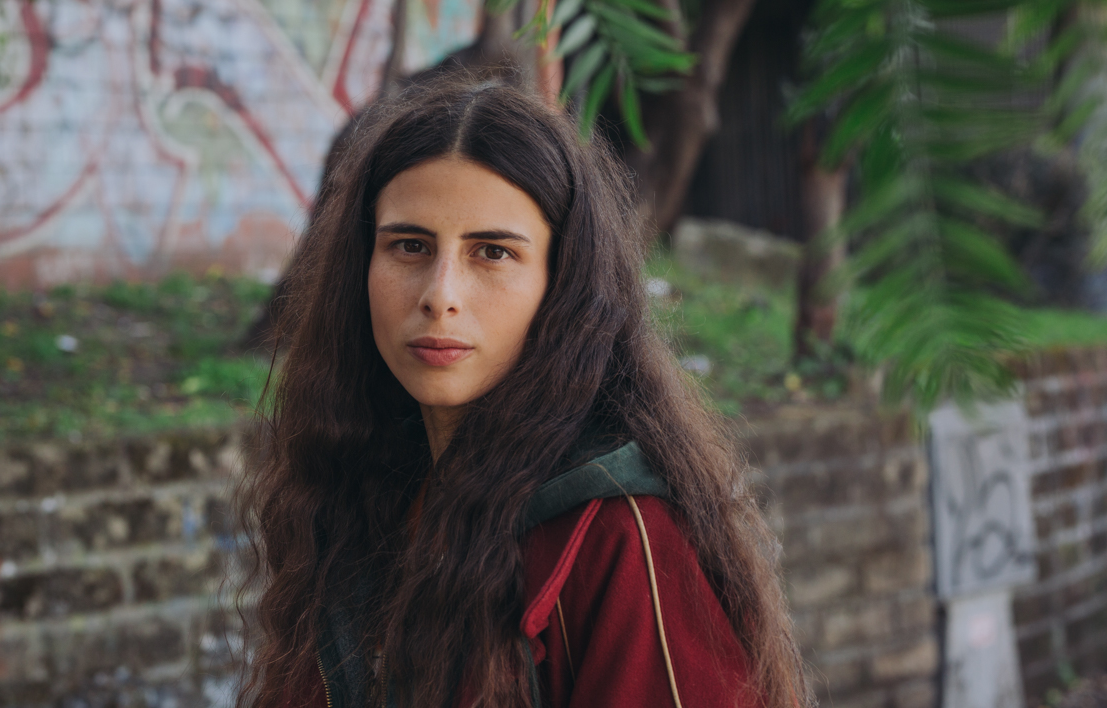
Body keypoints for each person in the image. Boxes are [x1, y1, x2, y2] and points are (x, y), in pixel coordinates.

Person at [236, 77, 810, 708]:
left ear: (562, 285)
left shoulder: (617, 528)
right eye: (409, 246)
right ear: (361, 266)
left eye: (492, 252)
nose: (440, 295)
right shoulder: (357, 481)